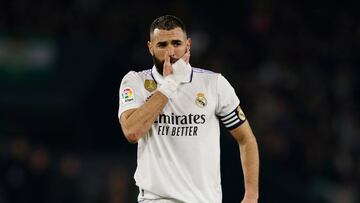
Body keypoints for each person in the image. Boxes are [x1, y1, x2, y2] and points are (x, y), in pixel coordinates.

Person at [118, 14, 259, 203]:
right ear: (150, 48)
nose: (171, 52)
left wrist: (251, 195)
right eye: (162, 45)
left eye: (176, 43)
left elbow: (246, 139)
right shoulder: (136, 81)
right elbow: (132, 132)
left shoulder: (213, 84)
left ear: (188, 44)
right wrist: (171, 83)